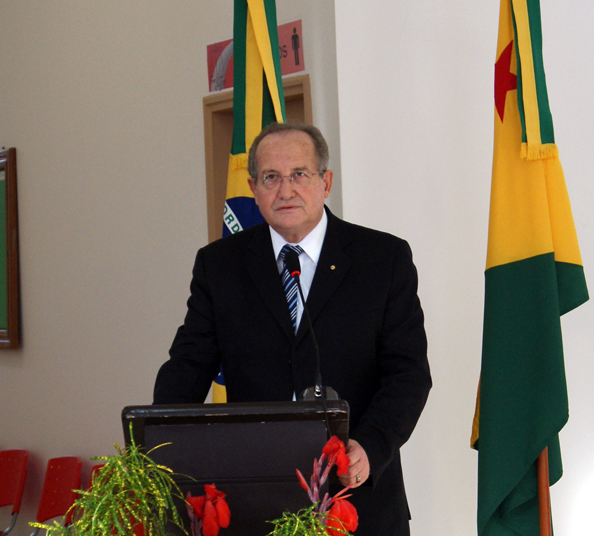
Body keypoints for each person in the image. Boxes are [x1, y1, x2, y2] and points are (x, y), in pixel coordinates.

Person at [153, 122, 431, 535]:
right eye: (271, 178)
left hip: (358, 501)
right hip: (256, 503)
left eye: (299, 174)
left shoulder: (383, 258)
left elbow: (408, 374)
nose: (286, 190)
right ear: (253, 188)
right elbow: (187, 368)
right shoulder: (220, 265)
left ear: (325, 182)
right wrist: (158, 450)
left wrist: (370, 446)